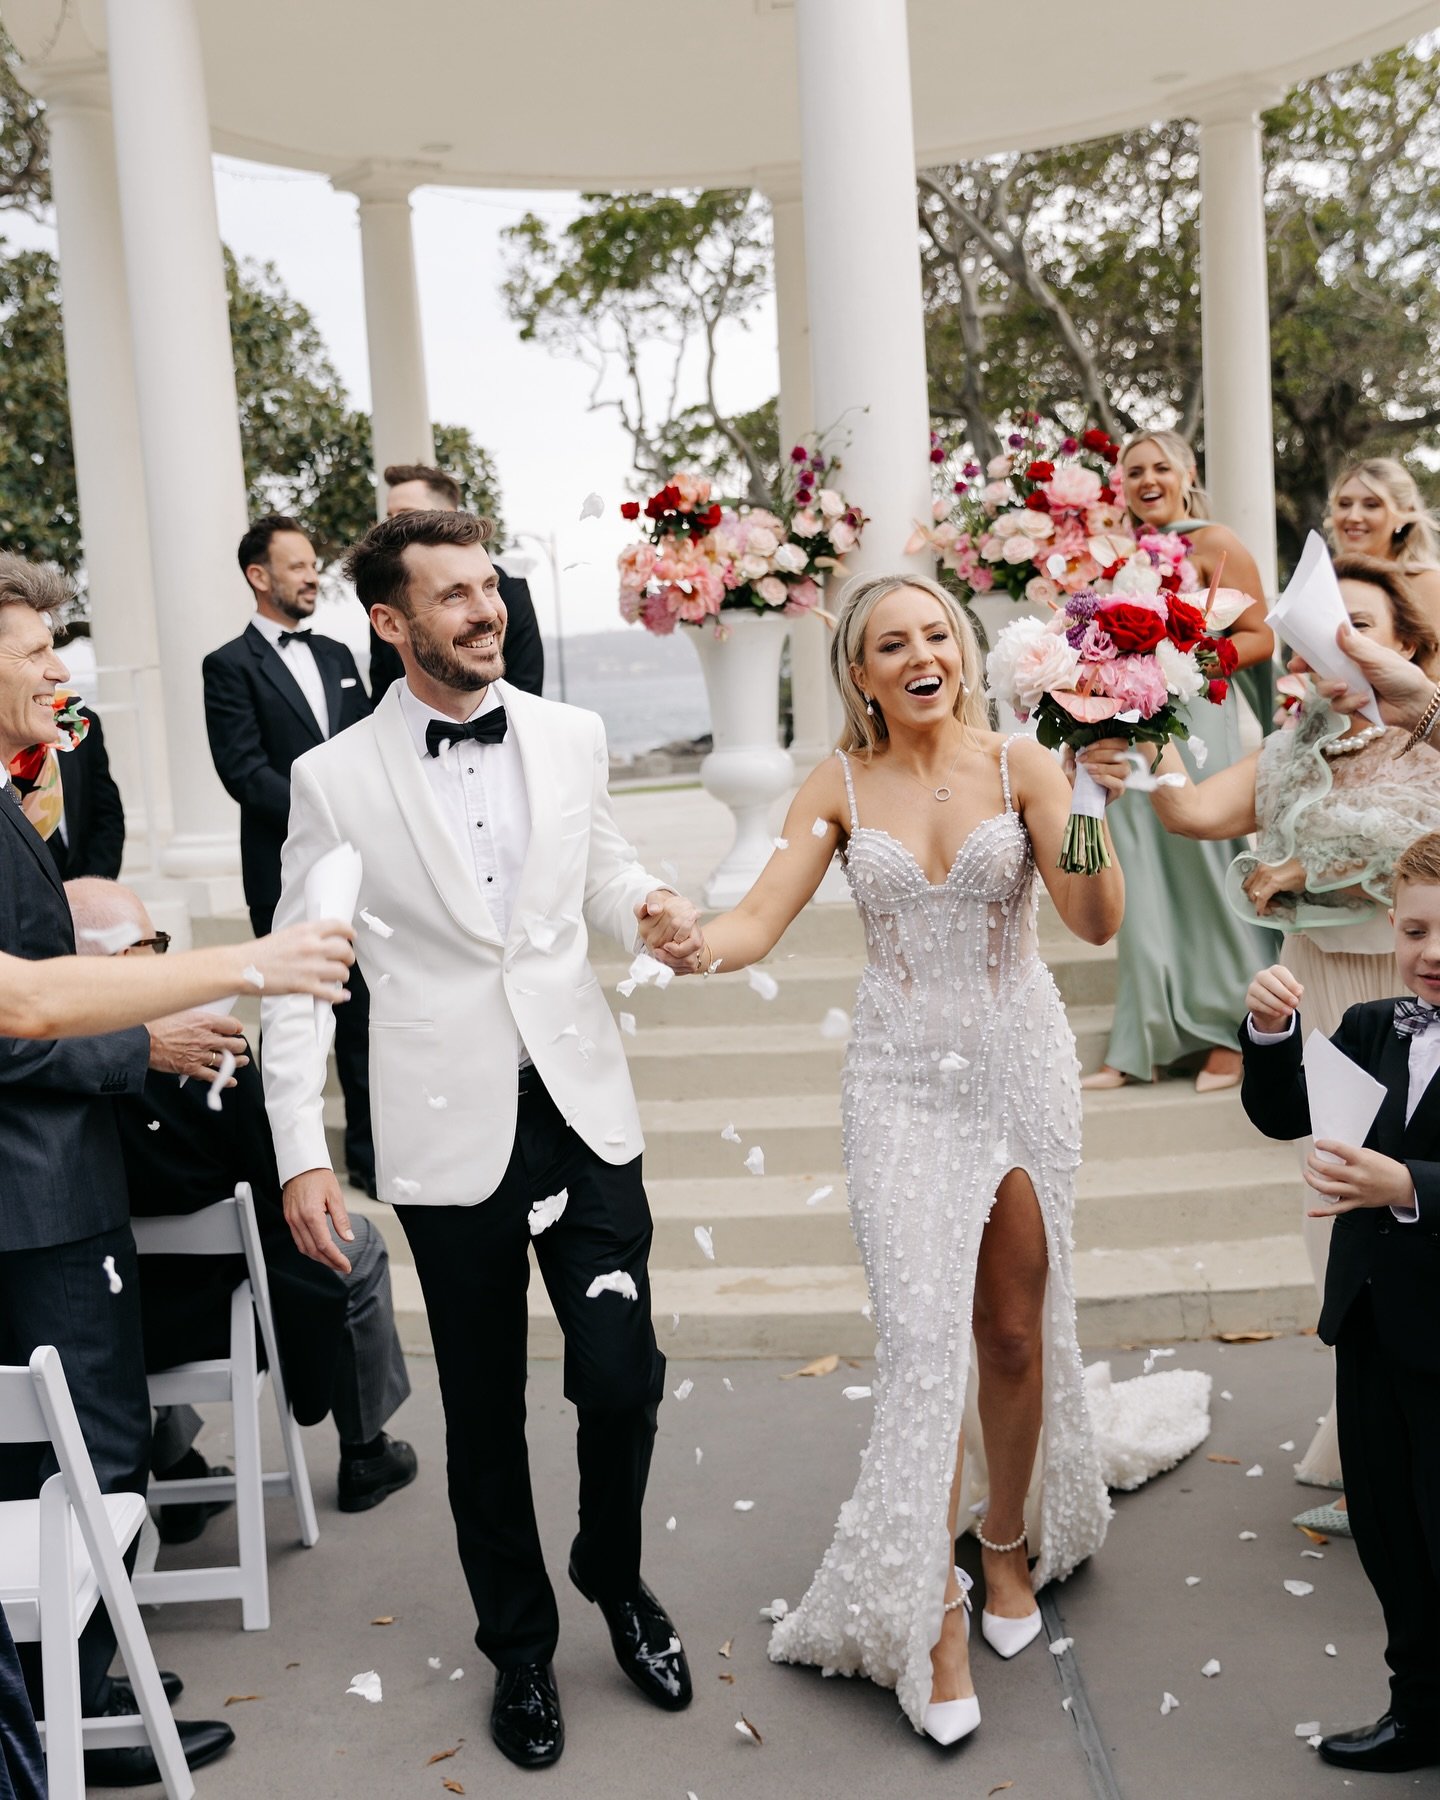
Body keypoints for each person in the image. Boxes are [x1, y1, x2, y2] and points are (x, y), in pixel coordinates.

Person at [259, 508, 704, 1771]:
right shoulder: (333, 779)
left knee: (621, 1373)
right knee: (486, 1409)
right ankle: (519, 1645)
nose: (484, 609)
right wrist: (300, 1148)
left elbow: (601, 867)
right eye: (450, 595)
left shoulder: (569, 733)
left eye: (488, 587)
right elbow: (302, 973)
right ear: (391, 623)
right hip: (446, 1132)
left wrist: (652, 907)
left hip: (578, 1111)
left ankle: (613, 1578)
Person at [672, 571, 1122, 1744]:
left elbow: (1095, 922)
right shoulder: (838, 786)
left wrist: (1083, 799)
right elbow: (756, 918)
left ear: (963, 653)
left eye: (936, 635)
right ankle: (931, 1611)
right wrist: (689, 943)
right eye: (890, 643)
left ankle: (1008, 1542)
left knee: (1014, 1332)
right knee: (926, 1346)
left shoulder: (1026, 766)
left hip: (1019, 1071)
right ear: (860, 673)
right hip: (897, 1089)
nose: (920, 654)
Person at [1081, 556, 1440, 1526]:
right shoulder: (1291, 747)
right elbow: (1196, 810)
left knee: (1429, 1200)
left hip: (1420, 980)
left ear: (1405, 643)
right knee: (1338, 1216)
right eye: (1321, 632)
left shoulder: (1435, 735)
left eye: (1358, 627)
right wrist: (1138, 734)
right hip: (1322, 987)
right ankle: (1366, 1437)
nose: (1336, 649)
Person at [0, 555, 235, 1785]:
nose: (58, 670)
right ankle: (85, 1713)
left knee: (42, 1463)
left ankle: (70, 1687)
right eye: (36, 650)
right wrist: (142, 1037)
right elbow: (12, 1024)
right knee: (87, 1457)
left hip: (35, 1192)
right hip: (39, 1199)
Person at [67, 878, 416, 1525]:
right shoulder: (207, 1047)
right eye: (154, 944)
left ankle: (173, 1465)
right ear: (116, 961)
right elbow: (271, 1180)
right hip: (226, 1304)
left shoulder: (56, 1066)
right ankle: (365, 1450)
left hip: (106, 1309)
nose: (165, 960)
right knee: (356, 1245)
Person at [1238, 831, 1440, 1776]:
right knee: (1393, 1534)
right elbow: (1287, 1116)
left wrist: (1407, 1183)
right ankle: (1419, 1708)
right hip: (1370, 1326)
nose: (1430, 952)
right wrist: (1272, 1034)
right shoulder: (1371, 1027)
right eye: (1414, 930)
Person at [1084, 428, 1277, 1093]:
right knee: (1135, 864)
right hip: (1129, 720)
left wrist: (1190, 661)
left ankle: (1231, 1031)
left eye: (1160, 467)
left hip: (1194, 720)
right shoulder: (1111, 555)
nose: (1147, 480)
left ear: (1186, 472)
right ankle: (1139, 1040)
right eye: (1133, 470)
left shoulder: (1216, 542)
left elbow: (1259, 634)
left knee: (1200, 862)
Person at [202, 515, 377, 1195]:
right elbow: (243, 773)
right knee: (295, 1016)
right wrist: (329, 819)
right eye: (298, 565)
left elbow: (365, 750)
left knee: (364, 1014)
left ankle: (369, 1159)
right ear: (259, 576)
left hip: (360, 866)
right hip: (284, 873)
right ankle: (293, 1163)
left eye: (312, 565)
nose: (312, 576)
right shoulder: (227, 666)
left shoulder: (337, 655)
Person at [368, 463, 545, 703]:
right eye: (390, 517)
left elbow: (527, 686)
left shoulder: (510, 589)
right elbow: (382, 689)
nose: (392, 525)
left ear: (449, 514)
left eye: (406, 513)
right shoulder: (389, 601)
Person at [1327, 457, 1440, 631]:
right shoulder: (1325, 581)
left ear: (1403, 514)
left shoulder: (1428, 584)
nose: (1353, 516)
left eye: (1371, 505)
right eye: (1344, 504)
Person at [43, 703, 125, 880]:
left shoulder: (81, 720)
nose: (61, 675)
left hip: (85, 883)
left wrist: (94, 882)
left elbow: (107, 813)